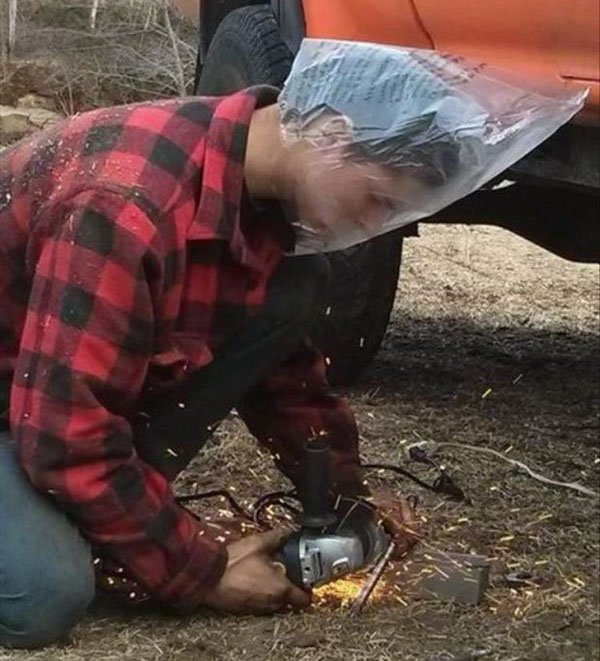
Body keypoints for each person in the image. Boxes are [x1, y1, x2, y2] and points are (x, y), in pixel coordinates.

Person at [0, 86, 421, 649]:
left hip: (43, 389)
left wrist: (348, 500)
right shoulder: (122, 204)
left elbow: (286, 380)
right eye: (376, 199)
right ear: (332, 138)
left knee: (296, 286)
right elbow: (62, 433)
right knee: (42, 593)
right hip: (32, 409)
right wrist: (202, 571)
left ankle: (86, 514)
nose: (375, 223)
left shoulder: (254, 189)